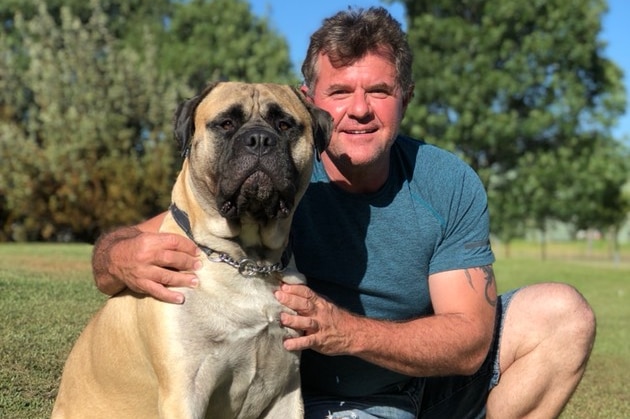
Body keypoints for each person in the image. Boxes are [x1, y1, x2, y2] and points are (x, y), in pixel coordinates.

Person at [92, 7, 596, 419]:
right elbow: (130, 248)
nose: (359, 110)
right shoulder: (283, 171)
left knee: (562, 314)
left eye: (379, 91)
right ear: (313, 105)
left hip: (431, 384)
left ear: (406, 99)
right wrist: (118, 257)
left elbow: (468, 341)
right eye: (339, 92)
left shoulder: (447, 180)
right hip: (337, 402)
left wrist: (346, 331)